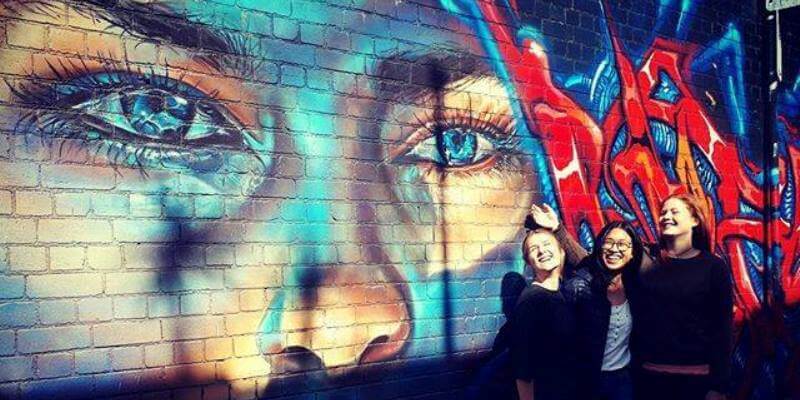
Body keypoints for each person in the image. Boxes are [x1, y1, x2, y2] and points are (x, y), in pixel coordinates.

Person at [534, 195, 733, 400]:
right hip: (649, 379)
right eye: (663, 212)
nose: (666, 216)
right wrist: (558, 230)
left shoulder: (713, 267)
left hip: (696, 380)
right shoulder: (649, 258)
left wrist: (719, 386)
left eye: (674, 211)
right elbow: (596, 263)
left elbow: (723, 329)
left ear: (695, 220)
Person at [532, 206, 643, 400]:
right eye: (609, 242)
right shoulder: (582, 286)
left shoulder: (636, 287)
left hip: (623, 381)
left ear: (633, 252)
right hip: (588, 382)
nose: (614, 249)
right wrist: (557, 229)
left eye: (622, 244)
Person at [510, 228, 577, 400]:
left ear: (561, 252)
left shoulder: (562, 291)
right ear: (529, 262)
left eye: (547, 244)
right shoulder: (531, 301)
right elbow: (522, 368)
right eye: (534, 249)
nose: (541, 251)